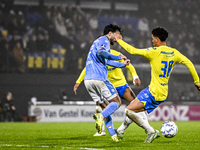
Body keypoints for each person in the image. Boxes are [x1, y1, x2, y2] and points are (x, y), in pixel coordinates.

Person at [114, 26, 200, 143]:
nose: (152, 41)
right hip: (161, 91)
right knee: (134, 107)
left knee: (129, 111)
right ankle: (120, 131)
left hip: (154, 92)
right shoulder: (174, 52)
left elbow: (133, 51)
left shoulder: (154, 52)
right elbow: (189, 63)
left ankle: (151, 131)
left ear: (157, 40)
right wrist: (197, 82)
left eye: (153, 39)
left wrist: (118, 40)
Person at [74, 49, 160, 140]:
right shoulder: (97, 55)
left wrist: (135, 77)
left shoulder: (116, 54)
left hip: (121, 85)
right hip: (107, 86)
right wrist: (78, 82)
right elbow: (87, 68)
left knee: (135, 105)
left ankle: (136, 129)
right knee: (100, 107)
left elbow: (129, 66)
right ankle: (103, 131)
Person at [82, 24, 130, 142]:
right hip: (99, 78)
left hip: (88, 81)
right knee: (117, 102)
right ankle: (100, 116)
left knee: (106, 107)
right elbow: (101, 53)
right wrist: (117, 57)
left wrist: (122, 64)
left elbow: (106, 60)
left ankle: (113, 135)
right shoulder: (104, 40)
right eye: (118, 34)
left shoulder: (97, 42)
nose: (119, 37)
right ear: (110, 33)